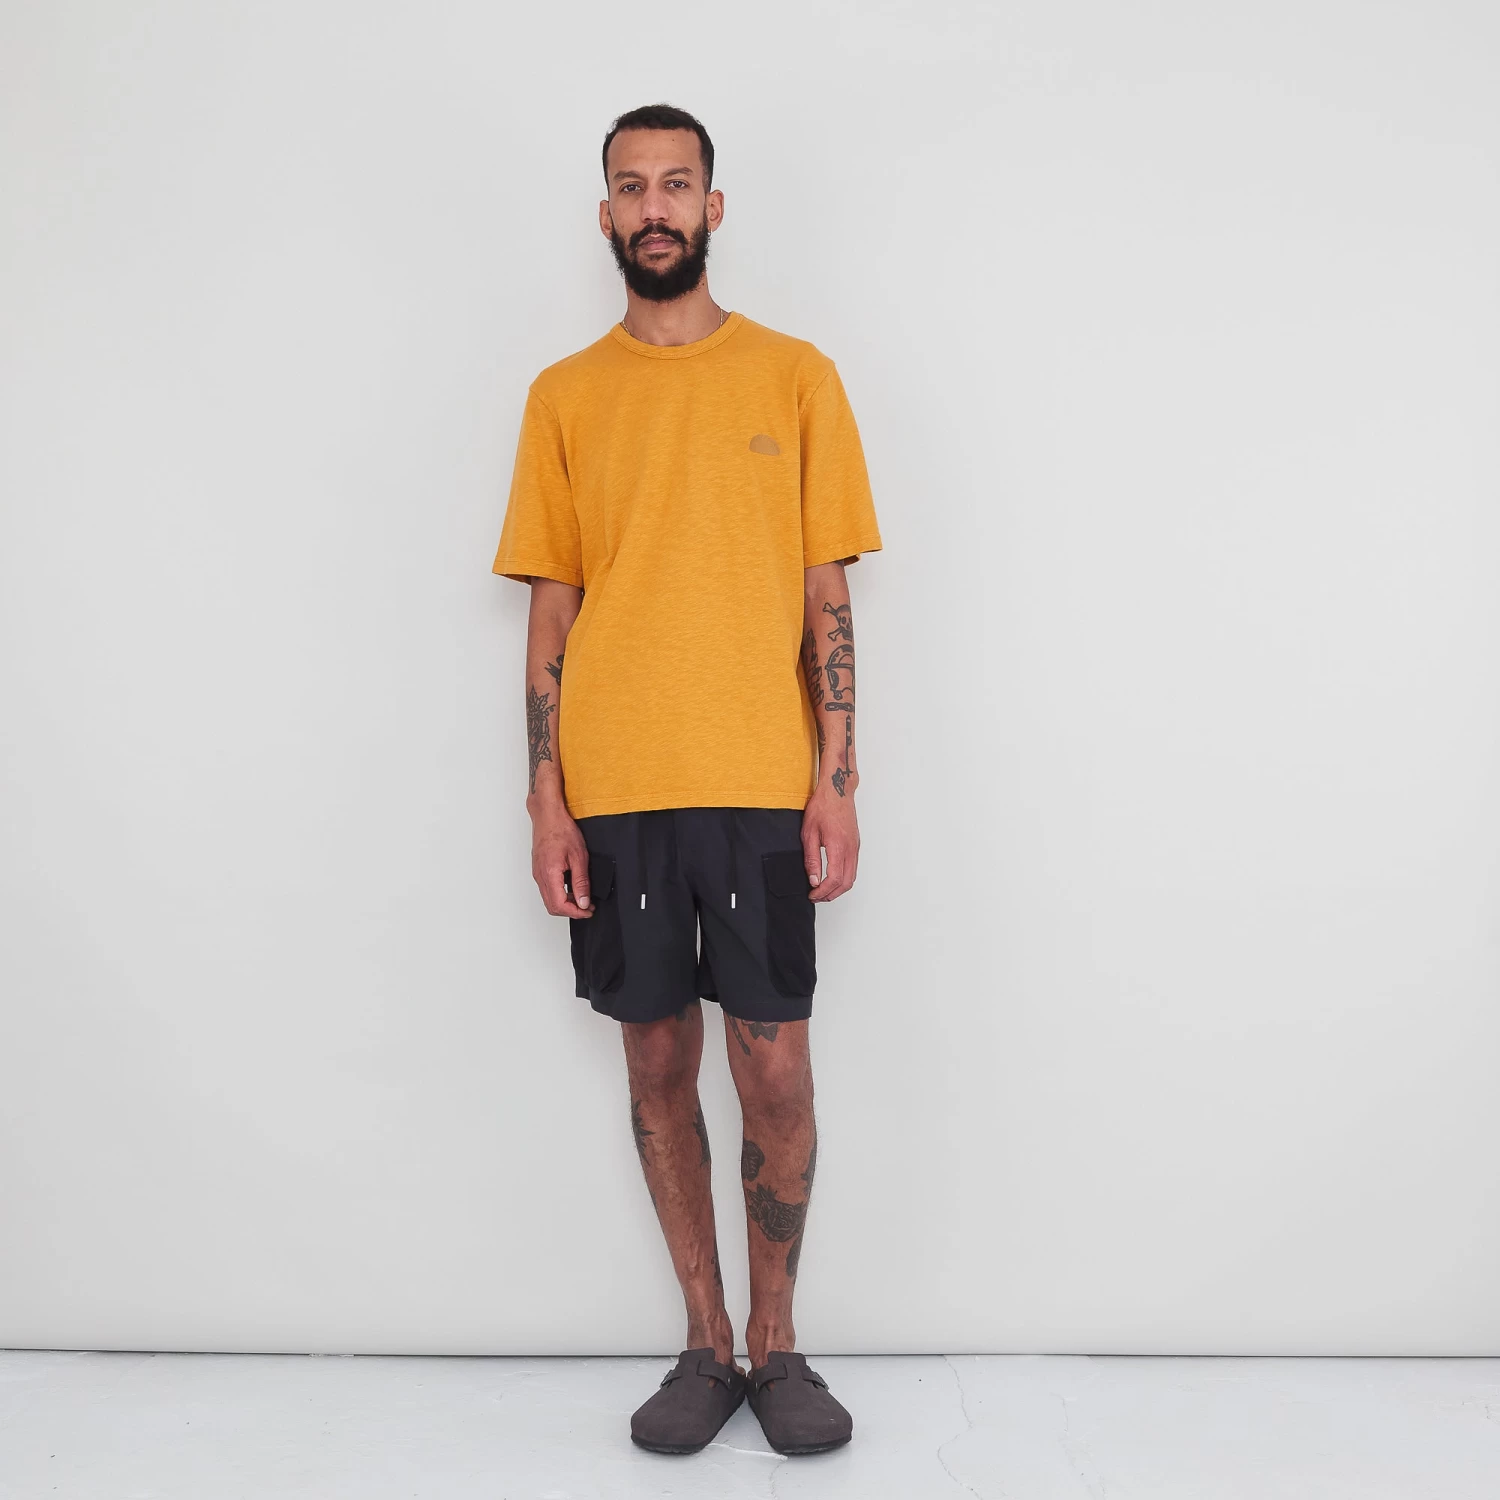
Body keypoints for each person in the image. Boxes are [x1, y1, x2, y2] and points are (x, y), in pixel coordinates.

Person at [490, 102, 882, 1457]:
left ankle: (780, 1347)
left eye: (675, 184)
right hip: (618, 791)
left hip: (762, 783)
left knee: (774, 1070)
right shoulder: (564, 396)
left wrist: (839, 778)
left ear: (714, 207)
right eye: (629, 187)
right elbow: (550, 611)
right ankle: (706, 1346)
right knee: (657, 1059)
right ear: (605, 214)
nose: (652, 207)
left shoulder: (796, 376)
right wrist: (546, 799)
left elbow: (827, 595)